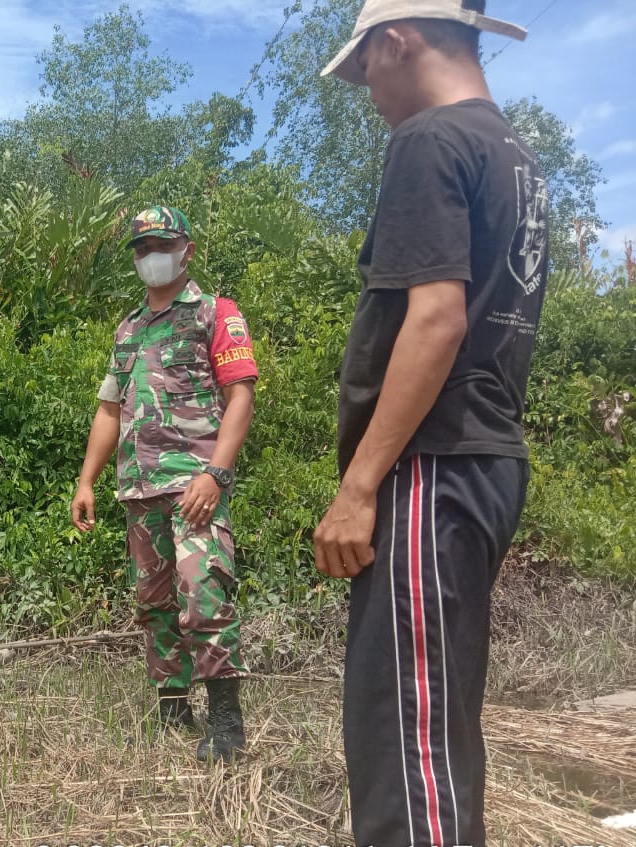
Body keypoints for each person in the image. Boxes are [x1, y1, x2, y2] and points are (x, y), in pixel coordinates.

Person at [314, 2, 547, 844]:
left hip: (430, 470)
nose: (367, 89)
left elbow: (437, 320)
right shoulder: (514, 154)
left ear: (395, 40)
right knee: (436, 734)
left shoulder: (428, 140)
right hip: (483, 461)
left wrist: (360, 482)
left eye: (365, 68)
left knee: (404, 743)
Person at [72, 206, 258, 763]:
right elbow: (109, 410)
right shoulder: (128, 329)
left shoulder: (215, 314)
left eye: (161, 243)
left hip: (195, 485)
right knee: (154, 605)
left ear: (186, 250)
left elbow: (241, 397)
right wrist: (87, 482)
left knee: (201, 595)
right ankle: (173, 712)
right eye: (141, 247)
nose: (150, 255)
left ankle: (227, 723)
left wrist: (216, 473)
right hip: (139, 489)